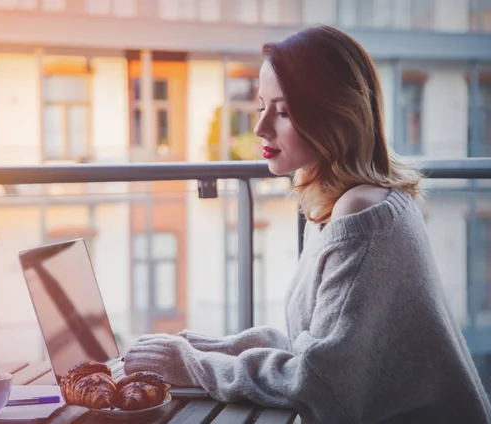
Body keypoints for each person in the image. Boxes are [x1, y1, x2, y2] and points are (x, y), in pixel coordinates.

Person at [123, 25, 491, 423]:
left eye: (283, 111)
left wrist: (191, 363)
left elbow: (315, 381)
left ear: (336, 115)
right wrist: (201, 346)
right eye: (261, 105)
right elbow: (313, 347)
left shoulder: (360, 212)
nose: (260, 127)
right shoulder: (340, 200)